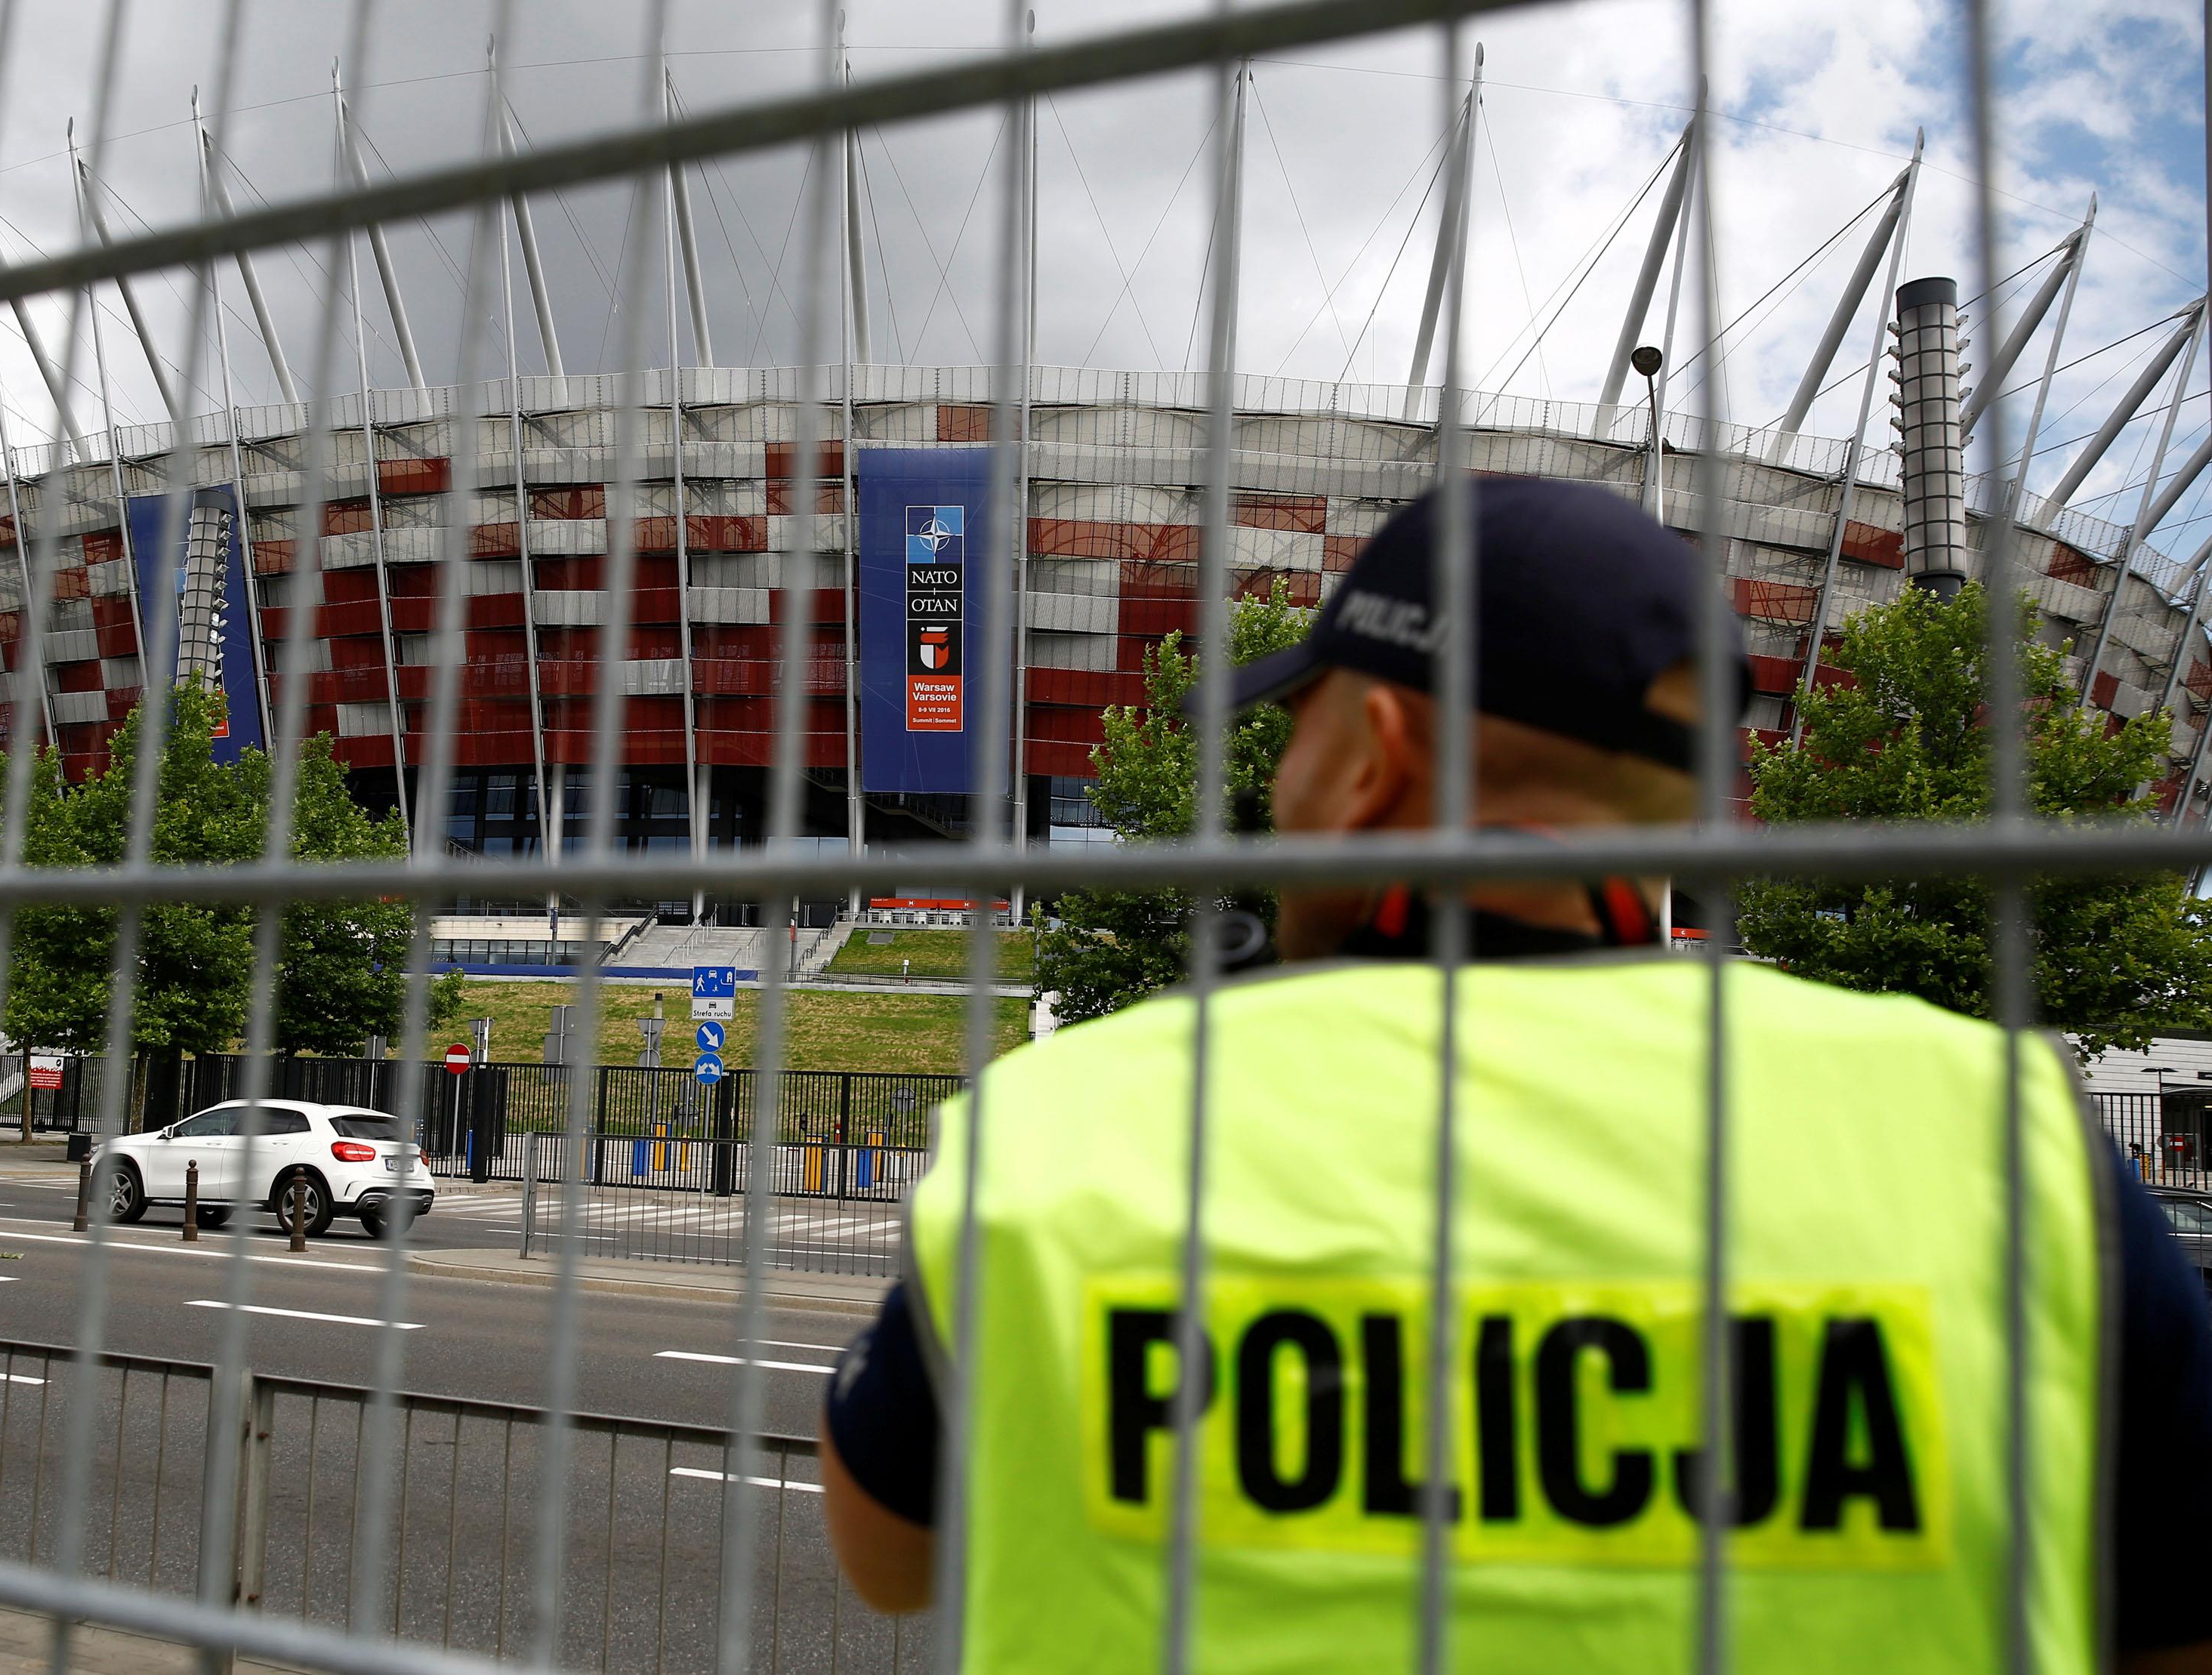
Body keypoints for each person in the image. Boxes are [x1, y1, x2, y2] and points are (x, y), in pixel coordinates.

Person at [819, 477, 2212, 1673]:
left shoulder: (1088, 1121)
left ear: (1378, 753)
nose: (1280, 775)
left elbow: (883, 1552)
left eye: (1299, 726)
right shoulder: (2011, 1145)